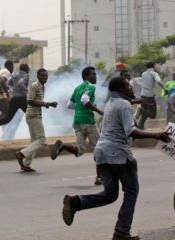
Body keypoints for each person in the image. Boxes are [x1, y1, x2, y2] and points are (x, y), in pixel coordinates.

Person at [61, 76, 170, 240]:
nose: (131, 88)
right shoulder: (124, 105)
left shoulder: (111, 103)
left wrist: (136, 102)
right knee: (131, 191)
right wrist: (157, 135)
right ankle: (122, 231)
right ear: (120, 90)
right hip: (118, 153)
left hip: (101, 153)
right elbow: (131, 131)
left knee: (110, 194)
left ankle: (77, 202)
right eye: (128, 86)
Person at [50, 66, 104, 185]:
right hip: (88, 121)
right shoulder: (90, 86)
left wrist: (82, 107)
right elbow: (85, 100)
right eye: (93, 74)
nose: (95, 76)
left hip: (77, 121)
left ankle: (63, 146)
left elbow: (70, 105)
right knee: (99, 148)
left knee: (80, 150)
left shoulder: (77, 88)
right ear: (86, 76)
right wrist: (99, 111)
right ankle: (100, 177)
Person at [15, 68, 57, 172]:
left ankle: (25, 164)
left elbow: (37, 101)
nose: (45, 77)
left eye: (46, 76)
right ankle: (21, 154)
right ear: (38, 76)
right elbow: (29, 101)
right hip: (33, 116)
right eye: (43, 75)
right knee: (42, 140)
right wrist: (47, 104)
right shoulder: (35, 85)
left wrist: (46, 105)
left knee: (34, 141)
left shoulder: (42, 86)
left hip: (35, 114)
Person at [138, 62, 166, 130]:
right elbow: (159, 81)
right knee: (153, 114)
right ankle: (140, 110)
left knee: (144, 115)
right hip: (149, 96)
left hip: (143, 95)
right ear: (153, 66)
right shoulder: (154, 73)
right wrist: (165, 89)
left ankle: (141, 129)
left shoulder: (143, 74)